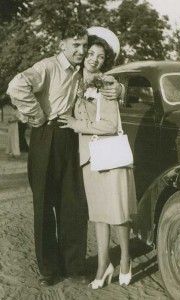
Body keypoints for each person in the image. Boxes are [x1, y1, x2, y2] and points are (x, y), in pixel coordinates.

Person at [7, 24, 122, 286]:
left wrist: (121, 90)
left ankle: (74, 266)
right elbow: (16, 86)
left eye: (84, 46)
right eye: (76, 45)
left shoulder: (83, 71)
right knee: (45, 204)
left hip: (73, 137)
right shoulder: (47, 67)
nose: (82, 51)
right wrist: (37, 115)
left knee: (74, 204)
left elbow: (106, 79)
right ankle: (49, 270)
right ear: (62, 45)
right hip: (46, 136)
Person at [59, 27, 137, 289]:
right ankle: (104, 265)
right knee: (99, 215)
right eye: (90, 53)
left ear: (106, 61)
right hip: (88, 157)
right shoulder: (73, 79)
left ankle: (125, 259)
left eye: (100, 57)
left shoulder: (107, 84)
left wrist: (76, 124)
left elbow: (110, 125)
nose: (93, 59)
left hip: (109, 155)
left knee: (118, 213)